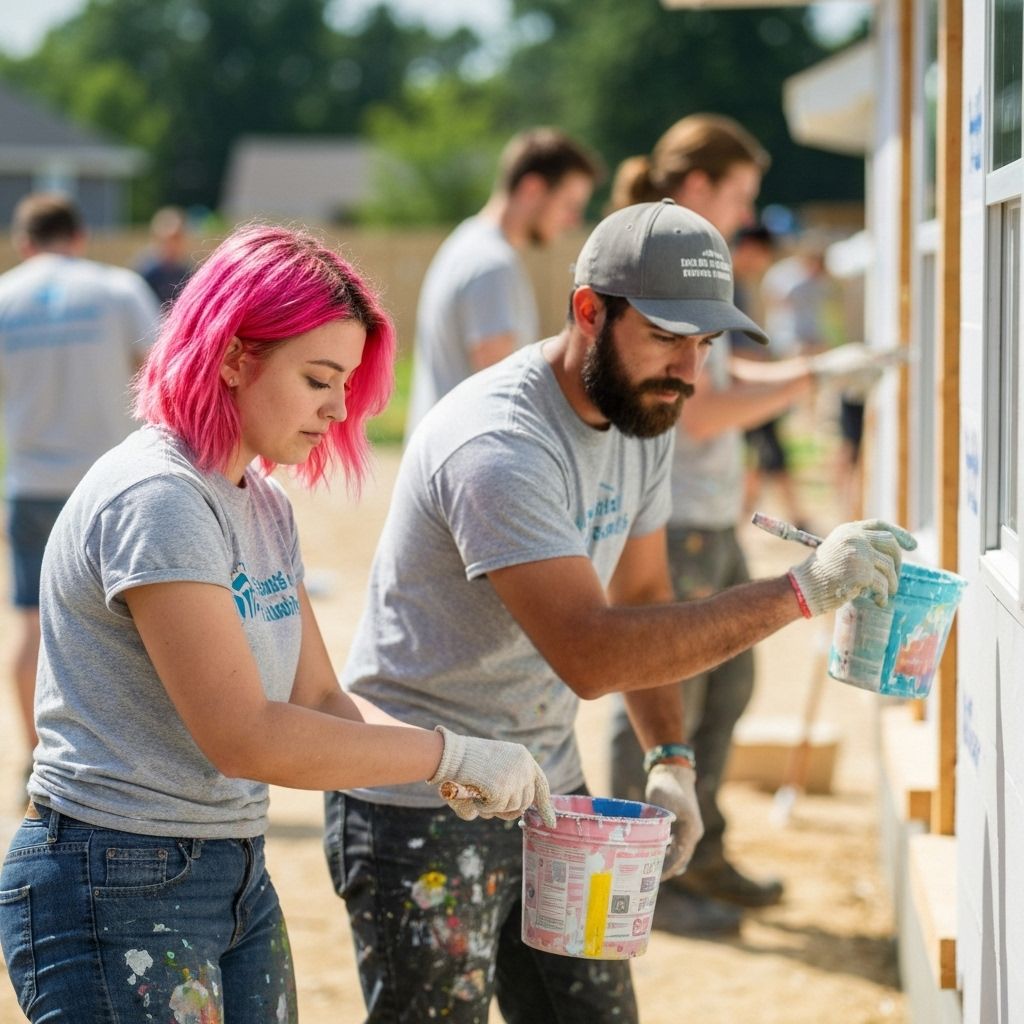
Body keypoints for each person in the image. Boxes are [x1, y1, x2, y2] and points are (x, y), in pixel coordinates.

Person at [324, 198, 915, 1023]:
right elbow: (591, 654)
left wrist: (670, 757)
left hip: (546, 783)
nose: (689, 370)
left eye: (705, 345)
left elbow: (642, 595)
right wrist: (799, 592)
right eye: (668, 337)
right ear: (588, 310)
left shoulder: (647, 411)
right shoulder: (498, 442)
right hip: (422, 796)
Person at [0, 225, 554, 1022]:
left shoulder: (260, 504)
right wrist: (446, 754)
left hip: (231, 866)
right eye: (320, 379)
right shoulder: (158, 498)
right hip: (112, 870)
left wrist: (452, 766)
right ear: (232, 357)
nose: (338, 409)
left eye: (347, 383)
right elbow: (245, 736)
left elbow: (323, 699)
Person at [606, 115, 881, 935]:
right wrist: (810, 379)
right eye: (741, 191)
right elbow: (702, 408)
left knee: (725, 684)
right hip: (674, 516)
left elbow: (723, 372)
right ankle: (648, 878)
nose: (748, 207)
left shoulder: (697, 267)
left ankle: (700, 850)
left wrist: (808, 371)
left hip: (705, 513)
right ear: (697, 188)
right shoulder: (670, 269)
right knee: (660, 694)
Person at [0, 192, 161, 775]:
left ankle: (38, 758)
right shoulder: (116, 289)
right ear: (80, 236)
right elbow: (161, 375)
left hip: (32, 482)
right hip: (112, 485)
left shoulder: (5, 298)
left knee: (31, 624)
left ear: (23, 243)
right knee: (137, 628)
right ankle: (127, 763)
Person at [403, 126, 602, 439]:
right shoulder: (491, 265)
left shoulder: (467, 242)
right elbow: (503, 395)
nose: (573, 220)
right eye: (570, 205)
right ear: (533, 188)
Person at [729, 223, 811, 528]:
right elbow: (724, 352)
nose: (764, 265)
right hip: (741, 385)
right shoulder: (729, 287)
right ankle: (790, 515)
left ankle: (746, 515)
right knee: (766, 451)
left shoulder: (737, 286)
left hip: (745, 382)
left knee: (763, 452)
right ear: (751, 248)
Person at [134, 205, 194, 306]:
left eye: (177, 238)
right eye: (170, 238)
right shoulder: (147, 272)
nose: (173, 244)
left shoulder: (187, 272)